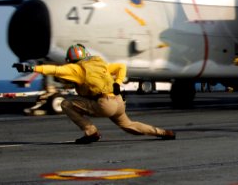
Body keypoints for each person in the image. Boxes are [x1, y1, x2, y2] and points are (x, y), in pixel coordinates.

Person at [13, 43, 176, 143]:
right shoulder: (99, 63)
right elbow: (121, 67)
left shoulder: (75, 69)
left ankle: (91, 132)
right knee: (128, 125)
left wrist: (31, 68)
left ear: (71, 59)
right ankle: (163, 132)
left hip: (104, 104)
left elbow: (54, 69)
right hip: (118, 101)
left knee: (66, 104)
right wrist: (118, 84)